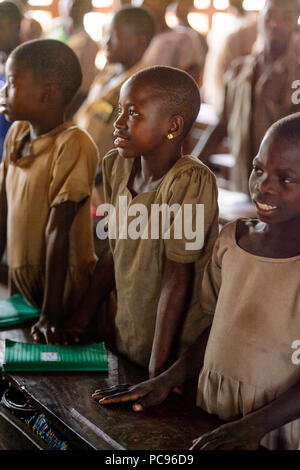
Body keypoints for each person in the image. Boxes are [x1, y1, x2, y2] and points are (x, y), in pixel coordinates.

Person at [92, 112, 300, 450]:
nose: (264, 185)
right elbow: (216, 326)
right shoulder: (234, 238)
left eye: (285, 178)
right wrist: (167, 379)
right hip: (213, 404)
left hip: (276, 426)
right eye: (258, 169)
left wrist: (254, 427)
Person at [74, 66, 219, 378]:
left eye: (133, 113)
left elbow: (176, 276)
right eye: (119, 111)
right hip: (130, 334)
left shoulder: (190, 181)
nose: (119, 122)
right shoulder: (117, 166)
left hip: (171, 354)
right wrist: (82, 319)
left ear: (173, 126)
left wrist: (158, 372)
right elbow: (114, 249)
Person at [0, 39, 99, 344]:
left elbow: (59, 229)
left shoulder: (73, 144)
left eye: (12, 83)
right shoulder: (16, 134)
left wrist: (51, 313)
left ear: (48, 92)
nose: (3, 91)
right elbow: (2, 208)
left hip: (62, 292)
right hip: (24, 285)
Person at [197, 0, 300, 194]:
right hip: (245, 183)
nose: (275, 24)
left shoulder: (297, 74)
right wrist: (192, 165)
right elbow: (221, 125)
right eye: (269, 16)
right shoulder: (239, 71)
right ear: (259, 18)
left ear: (295, 23)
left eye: (285, 18)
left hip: (286, 190)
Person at [74, 5, 156, 210]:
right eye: (106, 34)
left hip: (109, 190)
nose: (106, 42)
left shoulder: (145, 86)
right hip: (86, 180)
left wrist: (92, 175)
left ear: (140, 42)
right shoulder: (108, 74)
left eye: (114, 35)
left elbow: (136, 147)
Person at [48, 0, 99, 118]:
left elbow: (83, 88)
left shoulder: (88, 44)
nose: (72, 6)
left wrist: (62, 114)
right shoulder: (54, 30)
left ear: (88, 8)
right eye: (69, 1)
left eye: (78, 4)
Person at [141, 0, 207, 84]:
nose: (152, 9)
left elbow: (192, 73)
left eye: (156, 4)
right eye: (147, 5)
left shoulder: (182, 38)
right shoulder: (142, 39)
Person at [0, 1, 22, 160]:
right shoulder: (2, 62)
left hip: (14, 150)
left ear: (17, 27)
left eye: (1, 28)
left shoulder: (27, 66)